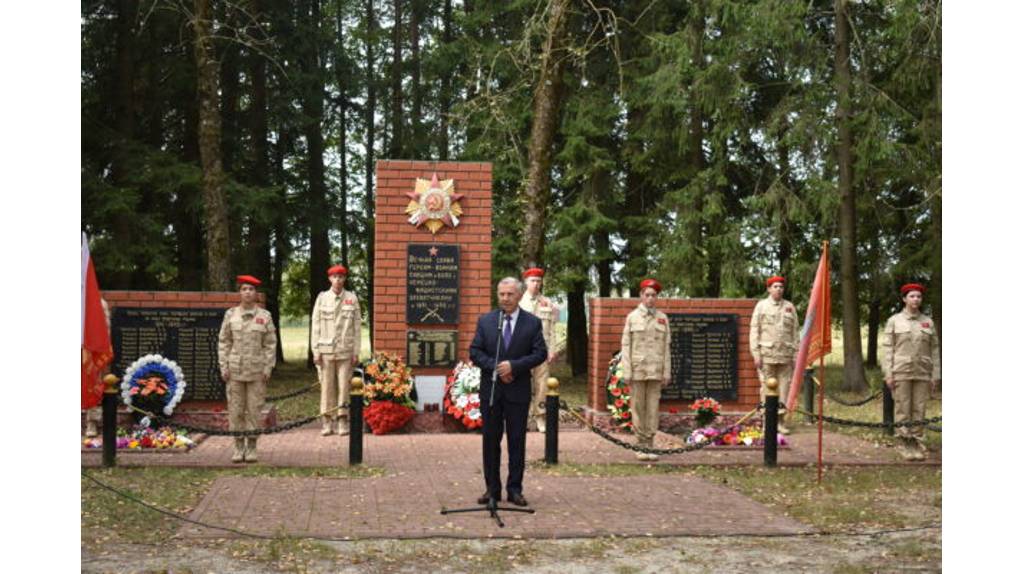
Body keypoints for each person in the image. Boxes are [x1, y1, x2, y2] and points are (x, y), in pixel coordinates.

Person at [469, 277, 548, 507]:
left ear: (520, 295)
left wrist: (514, 366)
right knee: (490, 441)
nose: (505, 298)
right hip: (492, 391)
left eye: (510, 294)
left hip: (517, 391)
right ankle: (491, 489)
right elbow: (475, 352)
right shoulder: (486, 321)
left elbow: (540, 353)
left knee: (516, 441)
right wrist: (496, 367)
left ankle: (515, 489)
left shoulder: (532, 323)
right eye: (501, 294)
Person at [218, 275, 277, 463]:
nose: (248, 292)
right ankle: (237, 446)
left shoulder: (264, 316)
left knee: (254, 410)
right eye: (244, 289)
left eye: (251, 289)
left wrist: (268, 368)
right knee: (235, 410)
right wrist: (224, 365)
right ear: (240, 292)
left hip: (256, 371)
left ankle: (251, 447)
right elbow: (224, 342)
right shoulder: (231, 315)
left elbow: (270, 344)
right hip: (235, 371)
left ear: (256, 293)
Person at [881, 283, 941, 461]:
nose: (916, 299)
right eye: (912, 296)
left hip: (922, 372)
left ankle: (916, 441)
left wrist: (935, 375)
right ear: (904, 299)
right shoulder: (895, 320)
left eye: (919, 296)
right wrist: (888, 373)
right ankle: (905, 442)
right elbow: (887, 348)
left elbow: (935, 350)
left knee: (919, 408)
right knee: (903, 408)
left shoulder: (927, 322)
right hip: (901, 371)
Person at [620, 279, 672, 461]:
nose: (650, 298)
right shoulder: (632, 317)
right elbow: (626, 346)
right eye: (647, 295)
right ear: (641, 296)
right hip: (637, 370)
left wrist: (666, 372)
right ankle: (640, 443)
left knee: (652, 408)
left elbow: (666, 347)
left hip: (655, 370)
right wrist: (626, 371)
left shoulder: (662, 318)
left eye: (653, 295)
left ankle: (650, 444)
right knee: (638, 408)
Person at [311, 264, 362, 436]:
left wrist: (356, 351)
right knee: (326, 388)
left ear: (344, 279)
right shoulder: (322, 298)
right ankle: (327, 421)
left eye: (341, 277)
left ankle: (342, 420)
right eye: (334, 277)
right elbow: (316, 326)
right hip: (325, 351)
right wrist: (315, 350)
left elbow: (356, 328)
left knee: (344, 387)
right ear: (329, 279)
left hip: (345, 350)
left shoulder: (352, 299)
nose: (338, 280)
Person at [749, 275, 800, 434]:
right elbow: (754, 331)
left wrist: (795, 356)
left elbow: (796, 333)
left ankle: (780, 422)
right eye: (775, 286)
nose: (779, 289)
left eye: (781, 287)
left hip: (785, 356)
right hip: (767, 355)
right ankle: (767, 422)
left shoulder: (790, 307)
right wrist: (756, 354)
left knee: (784, 390)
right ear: (769, 289)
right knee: (766, 390)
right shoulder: (761, 306)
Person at [518, 267, 559, 433]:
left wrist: (553, 350)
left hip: (542, 350)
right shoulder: (519, 302)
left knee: (542, 385)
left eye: (538, 281)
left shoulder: (548, 303)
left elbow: (552, 329)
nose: (536, 284)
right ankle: (525, 416)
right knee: (523, 384)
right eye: (532, 281)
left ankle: (540, 417)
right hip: (523, 350)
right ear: (526, 282)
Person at [85, 298, 111, 438]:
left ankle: (92, 421)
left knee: (92, 385)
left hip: (89, 351)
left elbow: (104, 330)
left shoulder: (97, 302)